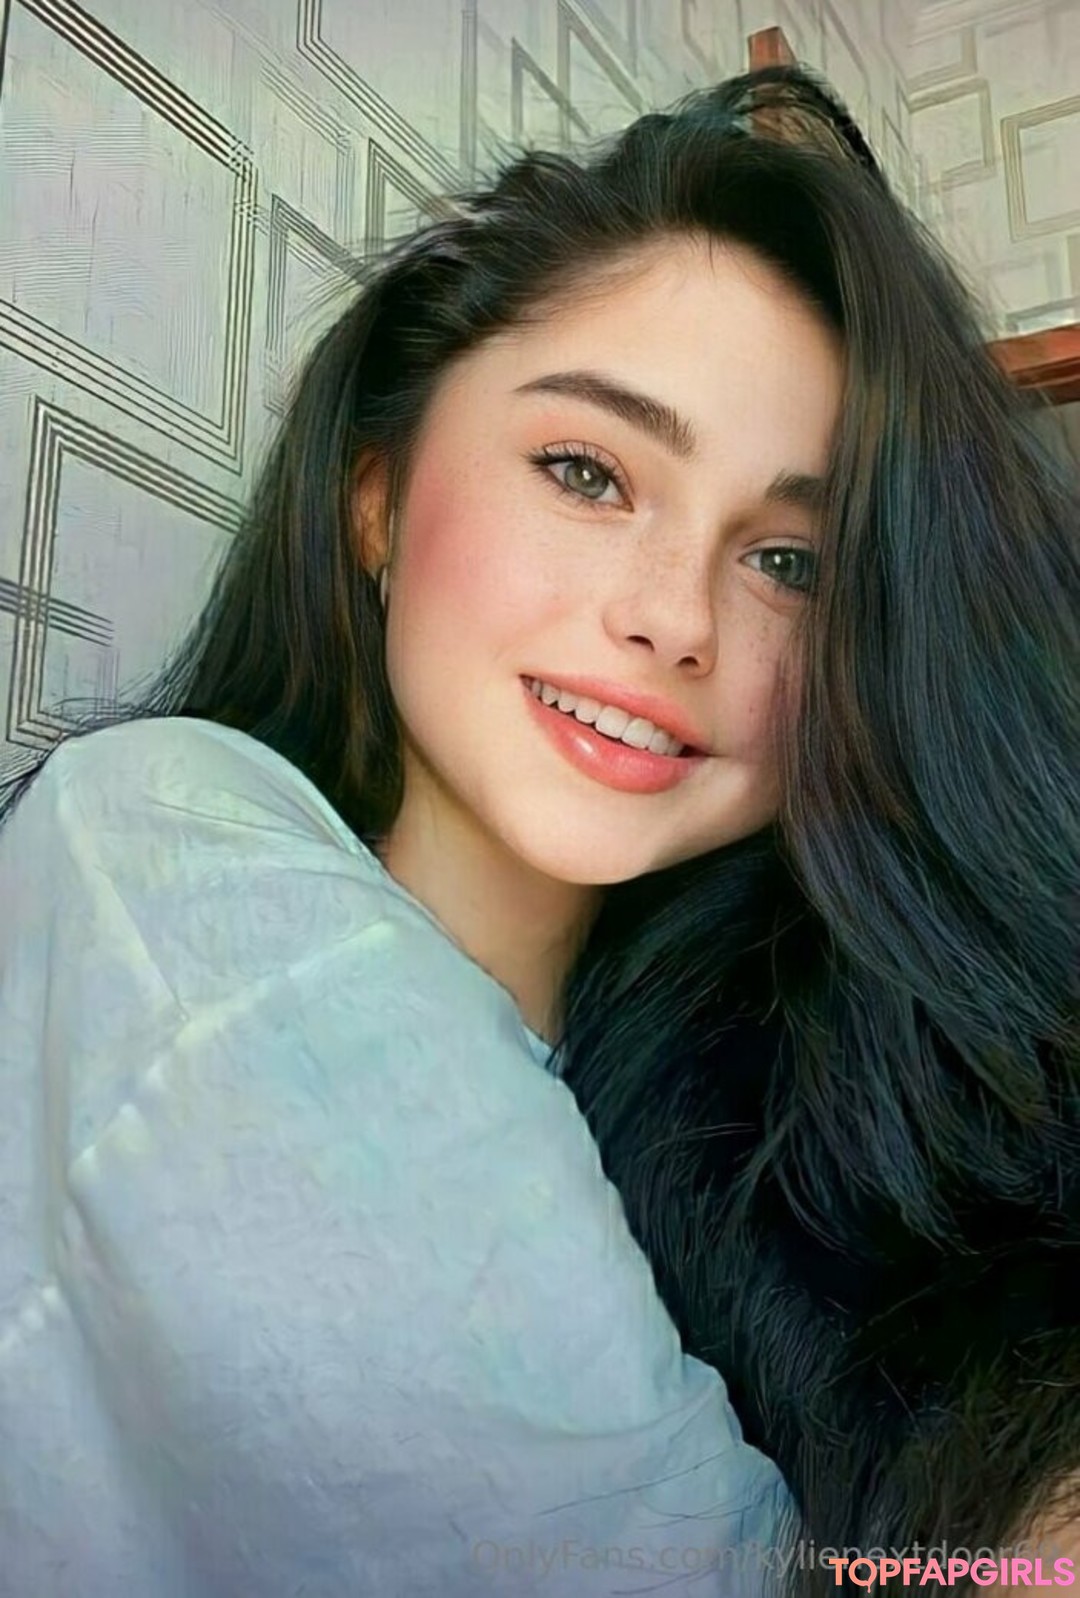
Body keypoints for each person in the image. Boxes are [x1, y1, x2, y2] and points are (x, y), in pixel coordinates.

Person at [0, 61, 1076, 1598]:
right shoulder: (170, 849)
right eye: (589, 472)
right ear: (378, 498)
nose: (675, 617)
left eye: (788, 561)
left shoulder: (749, 1140)